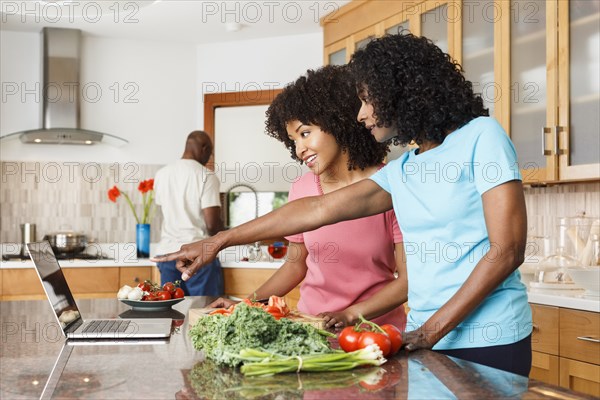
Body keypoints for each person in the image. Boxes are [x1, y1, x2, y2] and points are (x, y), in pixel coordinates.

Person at [153, 34, 532, 376]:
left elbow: (507, 250)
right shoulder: (406, 169)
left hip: (487, 337)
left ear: (399, 91)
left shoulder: (482, 137)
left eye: (368, 99)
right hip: (428, 338)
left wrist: (430, 330)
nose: (361, 113)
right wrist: (217, 241)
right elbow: (317, 209)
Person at [209, 65, 407, 329]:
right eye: (292, 140)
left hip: (375, 332)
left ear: (337, 122)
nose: (299, 149)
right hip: (313, 328)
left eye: (305, 133)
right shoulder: (302, 188)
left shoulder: (389, 186)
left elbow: (407, 280)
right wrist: (244, 305)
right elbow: (294, 266)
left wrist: (350, 314)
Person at [153, 130, 225, 296]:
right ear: (205, 148)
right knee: (205, 313)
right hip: (197, 255)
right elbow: (212, 224)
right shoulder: (206, 176)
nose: (209, 158)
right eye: (210, 153)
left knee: (172, 312)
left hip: (168, 254)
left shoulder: (162, 174)